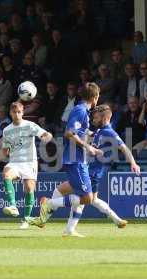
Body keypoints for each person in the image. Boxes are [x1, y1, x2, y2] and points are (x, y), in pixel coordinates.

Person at [27, 83, 102, 232]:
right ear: (94, 98)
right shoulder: (80, 110)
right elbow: (69, 133)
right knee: (87, 198)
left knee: (63, 190)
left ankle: (59, 226)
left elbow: (80, 132)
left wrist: (94, 135)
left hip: (77, 159)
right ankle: (48, 204)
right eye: (98, 96)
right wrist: (88, 147)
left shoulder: (82, 111)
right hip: (76, 160)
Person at [58, 105, 140, 236]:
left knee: (83, 198)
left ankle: (51, 205)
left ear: (105, 118)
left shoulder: (110, 132)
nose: (94, 120)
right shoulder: (99, 132)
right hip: (92, 171)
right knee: (90, 199)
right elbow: (89, 134)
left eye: (96, 118)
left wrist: (133, 163)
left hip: (92, 171)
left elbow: (124, 147)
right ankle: (116, 220)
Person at [0, 102, 52, 229]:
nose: (17, 114)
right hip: (15, 162)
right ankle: (12, 205)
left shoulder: (29, 125)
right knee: (6, 173)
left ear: (23, 112)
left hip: (29, 162)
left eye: (19, 112)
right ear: (10, 113)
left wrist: (47, 137)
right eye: (14, 112)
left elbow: (46, 134)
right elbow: (6, 151)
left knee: (29, 189)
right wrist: (0, 154)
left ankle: (26, 219)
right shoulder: (7, 130)